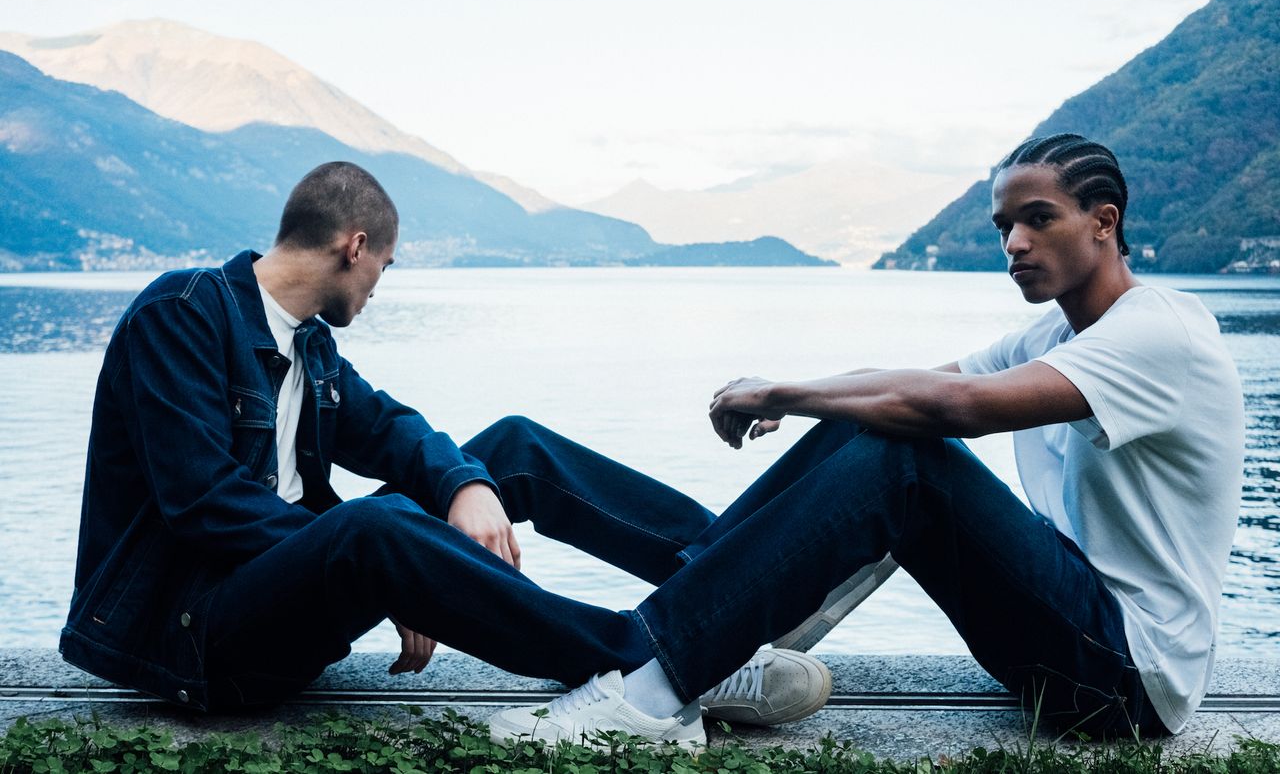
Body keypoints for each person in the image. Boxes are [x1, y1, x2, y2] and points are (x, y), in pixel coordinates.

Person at [489, 133, 1244, 747]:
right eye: (1003, 225)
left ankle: (654, 693)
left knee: (905, 451)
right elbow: (908, 383)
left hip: (1126, 679)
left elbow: (953, 404)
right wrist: (800, 391)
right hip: (1067, 637)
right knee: (877, 420)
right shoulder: (1054, 332)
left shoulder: (1158, 334)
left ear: (1104, 222)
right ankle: (716, 640)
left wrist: (782, 394)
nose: (1013, 242)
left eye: (1038, 219)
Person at [60, 161, 831, 729]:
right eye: (384, 267)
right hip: (199, 639)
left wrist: (465, 487)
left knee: (510, 451)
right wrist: (392, 562)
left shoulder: (310, 349)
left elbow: (392, 428)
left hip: (283, 591)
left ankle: (727, 579)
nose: (378, 287)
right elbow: (204, 504)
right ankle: (652, 656)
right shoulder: (182, 314)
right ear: (354, 245)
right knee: (381, 522)